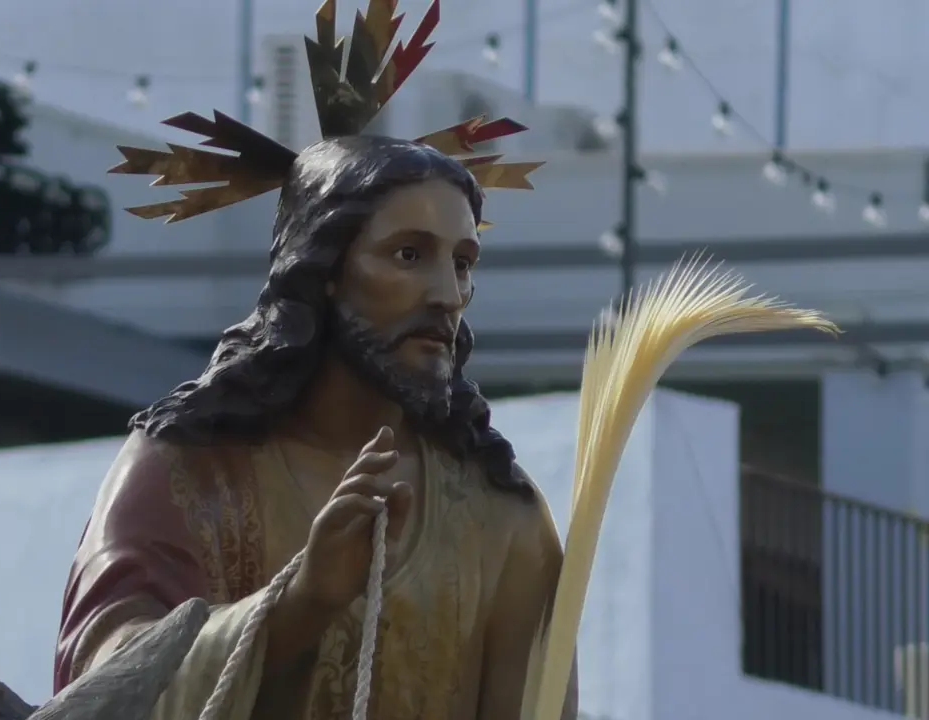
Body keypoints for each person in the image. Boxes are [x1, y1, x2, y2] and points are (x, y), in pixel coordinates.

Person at [54, 2, 577, 718]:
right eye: (408, 255)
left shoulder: (501, 520)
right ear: (324, 270)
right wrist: (300, 602)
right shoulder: (185, 470)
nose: (447, 294)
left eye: (462, 263)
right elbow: (104, 688)